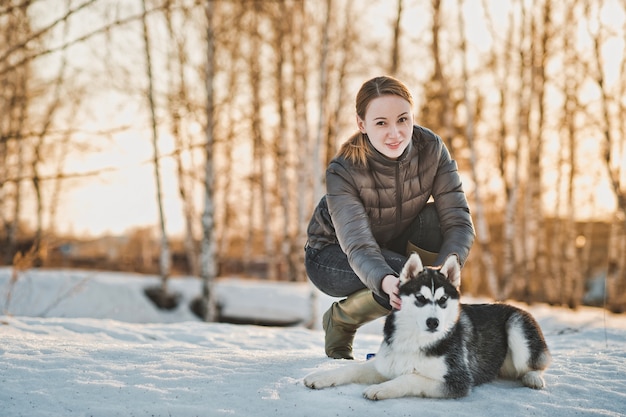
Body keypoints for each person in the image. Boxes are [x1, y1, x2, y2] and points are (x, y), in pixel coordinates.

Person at [304, 75, 475, 360]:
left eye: (403, 120)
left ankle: (426, 343)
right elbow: (358, 244)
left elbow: (458, 220)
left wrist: (446, 273)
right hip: (333, 255)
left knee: (436, 222)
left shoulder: (431, 148)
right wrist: (386, 280)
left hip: (392, 241)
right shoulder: (342, 170)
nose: (395, 133)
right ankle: (342, 320)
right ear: (362, 125)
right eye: (381, 123)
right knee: (407, 280)